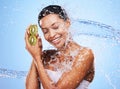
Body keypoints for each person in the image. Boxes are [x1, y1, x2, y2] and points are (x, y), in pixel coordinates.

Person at [25, 5, 95, 89]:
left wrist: (36, 58)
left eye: (55, 27)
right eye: (45, 31)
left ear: (68, 23)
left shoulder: (85, 54)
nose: (51, 35)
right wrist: (36, 54)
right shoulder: (46, 56)